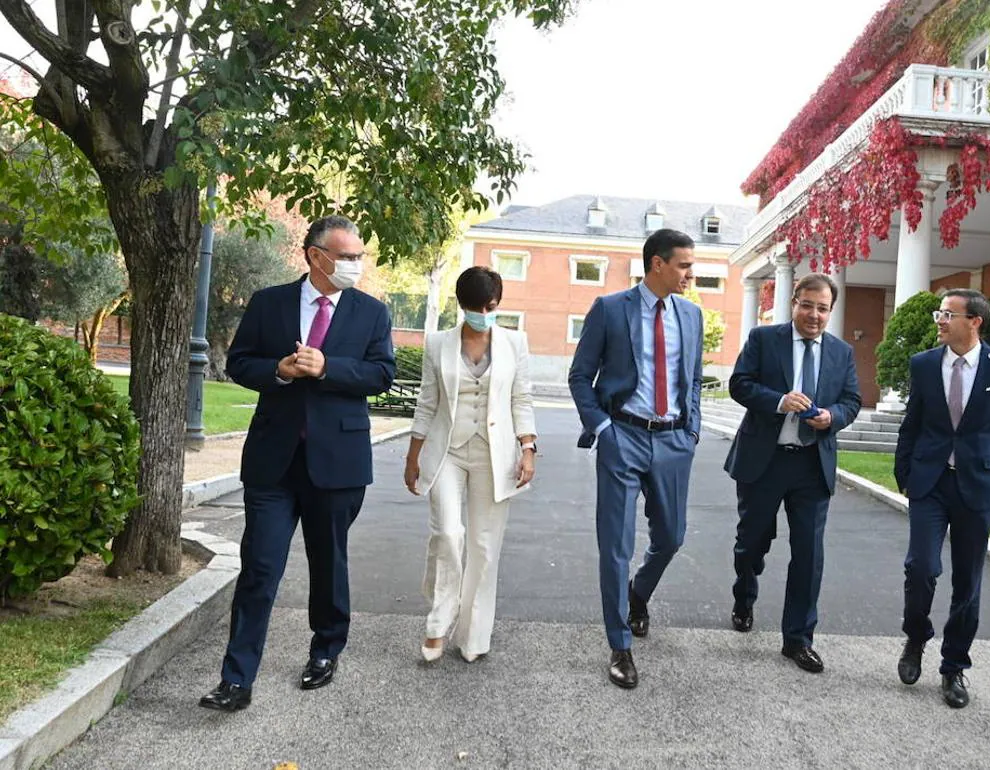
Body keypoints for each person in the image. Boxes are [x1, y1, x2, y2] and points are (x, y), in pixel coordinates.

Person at [200, 216, 395, 712]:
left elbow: (382, 375)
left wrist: (328, 368)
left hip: (338, 463)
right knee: (259, 568)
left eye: (358, 256)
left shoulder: (372, 313)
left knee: (329, 564)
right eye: (346, 256)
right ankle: (236, 679)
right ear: (315, 255)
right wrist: (279, 371)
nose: (355, 264)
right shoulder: (270, 303)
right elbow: (240, 361)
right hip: (273, 463)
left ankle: (326, 650)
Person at [567, 228, 702, 689]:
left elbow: (693, 380)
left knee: (671, 537)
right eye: (684, 265)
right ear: (658, 264)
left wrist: (692, 429)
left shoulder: (692, 315)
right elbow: (581, 375)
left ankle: (637, 595)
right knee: (616, 544)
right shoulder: (610, 309)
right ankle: (619, 643)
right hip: (622, 435)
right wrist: (602, 428)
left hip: (672, 442)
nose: (691, 273)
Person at [893, 288, 990, 709]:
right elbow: (911, 423)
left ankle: (954, 667)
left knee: (968, 583)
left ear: (974, 322)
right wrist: (904, 474)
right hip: (929, 483)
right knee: (921, 566)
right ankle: (915, 638)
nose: (939, 319)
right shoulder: (924, 364)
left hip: (978, 486)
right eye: (940, 312)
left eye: (947, 314)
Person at [723, 273, 861, 673]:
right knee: (751, 543)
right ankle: (744, 594)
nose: (814, 315)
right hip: (763, 461)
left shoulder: (841, 353)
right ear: (793, 303)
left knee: (809, 554)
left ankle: (798, 639)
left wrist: (832, 417)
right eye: (808, 305)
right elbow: (739, 385)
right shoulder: (764, 340)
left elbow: (852, 400)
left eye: (823, 308)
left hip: (811, 464)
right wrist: (779, 401)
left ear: (830, 311)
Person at [403, 266, 537, 663]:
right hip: (448, 450)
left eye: (490, 306)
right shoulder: (437, 343)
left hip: (495, 455)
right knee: (447, 534)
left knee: (483, 545)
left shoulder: (515, 343)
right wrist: (413, 456)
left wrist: (528, 448)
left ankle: (473, 632)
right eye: (475, 307)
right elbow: (427, 402)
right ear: (462, 305)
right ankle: (437, 624)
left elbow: (521, 399)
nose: (484, 312)